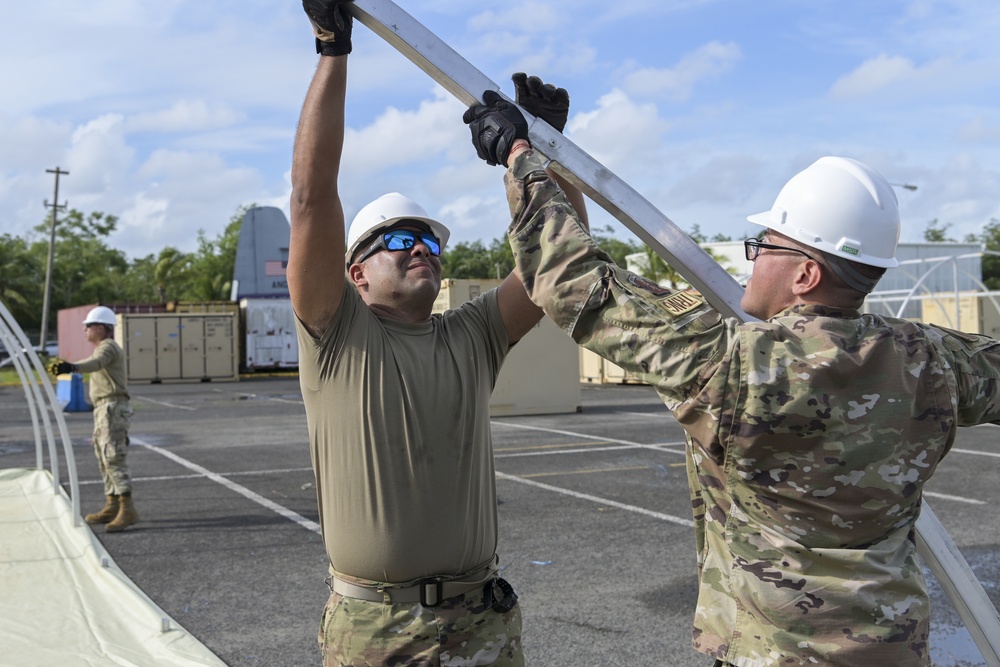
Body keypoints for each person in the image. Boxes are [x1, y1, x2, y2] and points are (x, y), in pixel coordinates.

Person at [463, 97, 1000, 666]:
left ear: (805, 273)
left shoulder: (730, 363)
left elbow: (573, 281)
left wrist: (524, 158)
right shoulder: (936, 360)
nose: (751, 260)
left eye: (764, 246)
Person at [289, 2, 586, 664]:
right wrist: (332, 51)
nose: (419, 246)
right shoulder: (337, 336)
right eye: (398, 239)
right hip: (377, 629)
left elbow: (560, 263)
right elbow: (311, 197)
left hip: (483, 619)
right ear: (355, 273)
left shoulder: (471, 335)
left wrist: (545, 154)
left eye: (428, 239)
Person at [47, 305, 137, 532]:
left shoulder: (108, 347)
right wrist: (69, 366)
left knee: (113, 456)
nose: (85, 330)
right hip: (104, 409)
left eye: (88, 326)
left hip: (112, 408)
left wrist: (71, 367)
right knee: (103, 455)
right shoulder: (102, 348)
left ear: (101, 328)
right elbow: (94, 362)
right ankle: (112, 503)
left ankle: (127, 509)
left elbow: (95, 364)